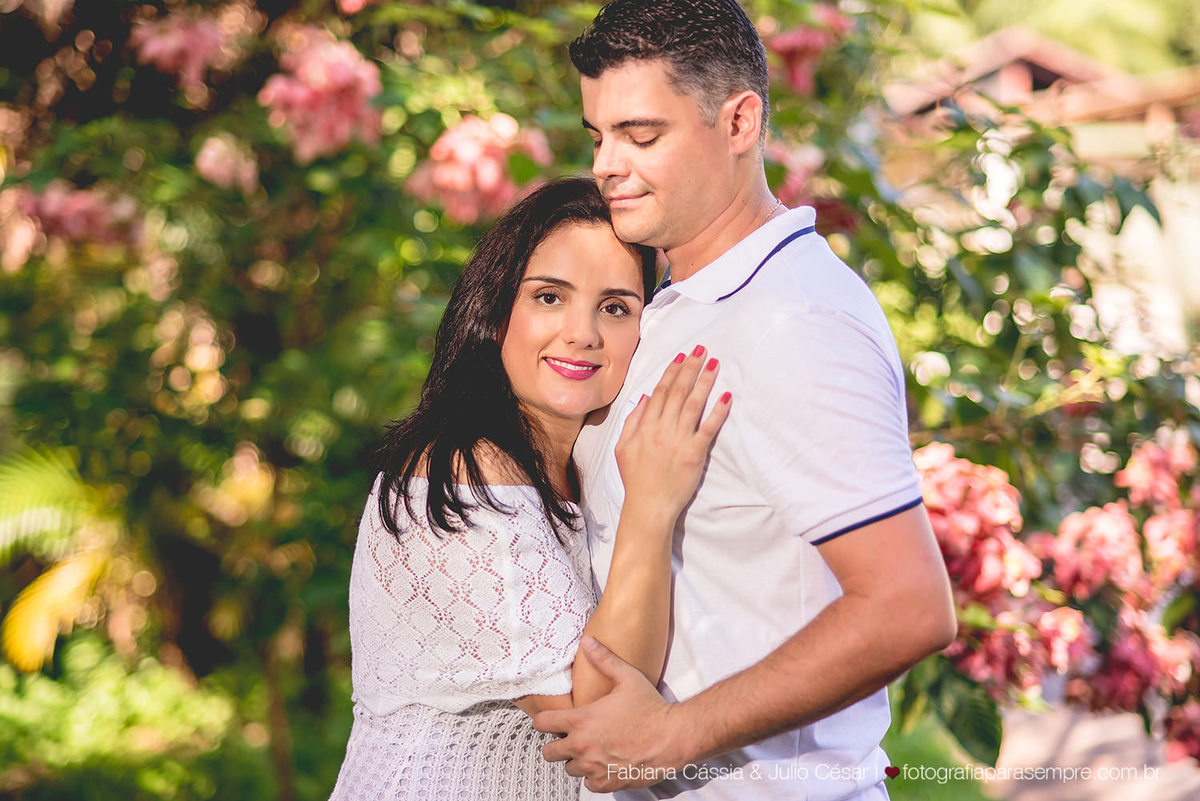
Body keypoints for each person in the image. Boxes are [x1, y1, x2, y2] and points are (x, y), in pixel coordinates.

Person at [531, 2, 958, 799]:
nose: (607, 165)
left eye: (642, 135)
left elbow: (908, 606)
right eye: (598, 136)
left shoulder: (794, 320)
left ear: (739, 122)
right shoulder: (678, 300)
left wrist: (674, 732)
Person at [327, 177, 732, 801]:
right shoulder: (461, 471)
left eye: (616, 307)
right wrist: (651, 510)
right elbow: (594, 719)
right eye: (549, 297)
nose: (582, 334)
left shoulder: (573, 470)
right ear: (494, 314)